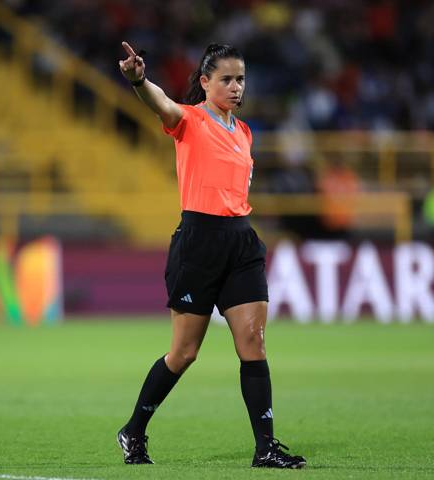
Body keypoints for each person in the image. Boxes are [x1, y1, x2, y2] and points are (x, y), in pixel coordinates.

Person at [115, 41, 306, 469]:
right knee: (184, 353)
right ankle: (134, 430)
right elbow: (162, 104)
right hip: (198, 242)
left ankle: (266, 448)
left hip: (240, 241)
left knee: (253, 343)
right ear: (205, 82)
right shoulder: (190, 120)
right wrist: (138, 80)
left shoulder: (245, 132)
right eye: (227, 79)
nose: (236, 87)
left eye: (241, 79)